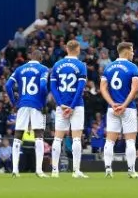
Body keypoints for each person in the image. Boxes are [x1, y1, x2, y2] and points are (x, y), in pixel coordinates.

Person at [101, 42, 138, 178]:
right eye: (132, 51)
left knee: (109, 141)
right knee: (130, 141)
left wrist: (112, 104)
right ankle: (131, 171)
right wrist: (124, 105)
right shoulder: (133, 67)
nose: (133, 53)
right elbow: (134, 89)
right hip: (128, 108)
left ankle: (108, 169)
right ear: (126, 51)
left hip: (112, 109)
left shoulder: (108, 67)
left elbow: (103, 88)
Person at [49, 40, 89, 178]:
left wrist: (60, 104)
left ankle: (54, 171)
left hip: (62, 106)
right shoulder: (81, 65)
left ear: (67, 49)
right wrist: (72, 106)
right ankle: (76, 171)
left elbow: (53, 87)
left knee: (57, 138)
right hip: (76, 105)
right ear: (77, 49)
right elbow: (80, 88)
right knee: (76, 138)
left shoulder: (57, 65)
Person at [6, 49, 49, 177]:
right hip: (36, 104)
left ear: (30, 57)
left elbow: (8, 85)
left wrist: (14, 102)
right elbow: (43, 86)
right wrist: (43, 102)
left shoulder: (20, 69)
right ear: (41, 58)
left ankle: (15, 170)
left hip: (23, 104)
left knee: (18, 135)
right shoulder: (43, 69)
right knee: (39, 135)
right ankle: (39, 170)